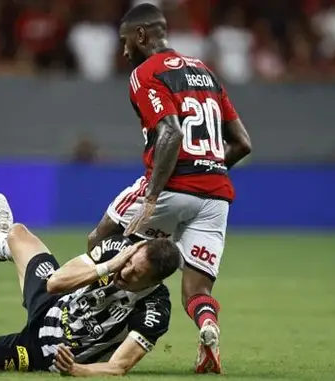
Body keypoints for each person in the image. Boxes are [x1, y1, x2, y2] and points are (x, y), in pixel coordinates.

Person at [87, 3, 252, 374]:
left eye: (126, 41)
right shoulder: (206, 72)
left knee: (100, 240)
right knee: (196, 291)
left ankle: (98, 334)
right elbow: (243, 144)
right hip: (216, 195)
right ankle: (208, 327)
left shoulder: (145, 73)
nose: (124, 51)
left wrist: (151, 198)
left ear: (142, 35)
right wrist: (207, 166)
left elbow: (172, 132)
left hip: (171, 185)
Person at [0, 193, 181, 376]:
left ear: (155, 281)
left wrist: (77, 370)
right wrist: (109, 265)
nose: (126, 271)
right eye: (129, 262)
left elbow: (118, 366)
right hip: (50, 302)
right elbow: (55, 283)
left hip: (39, 352)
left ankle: (4, 245)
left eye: (137, 274)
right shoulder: (116, 249)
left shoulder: (155, 310)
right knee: (17, 233)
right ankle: (0, 244)